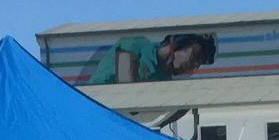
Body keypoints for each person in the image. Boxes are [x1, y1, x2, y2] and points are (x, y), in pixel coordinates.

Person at [86, 31, 217, 84]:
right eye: (196, 56)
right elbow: (126, 96)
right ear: (179, 42)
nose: (195, 66)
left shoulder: (164, 79)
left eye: (199, 64)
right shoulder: (134, 45)